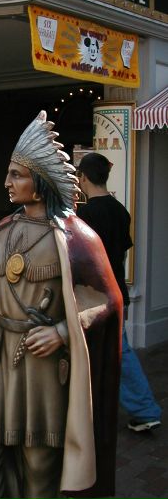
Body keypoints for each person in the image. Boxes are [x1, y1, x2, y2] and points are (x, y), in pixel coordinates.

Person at [0, 112, 122, 499]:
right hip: (0, 359)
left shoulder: (77, 237)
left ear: (41, 182)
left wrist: (62, 331)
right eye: (9, 174)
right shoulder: (1, 232)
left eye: (17, 175)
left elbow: (108, 299)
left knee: (39, 462)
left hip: (44, 366)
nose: (7, 183)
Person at [77, 152, 162, 433]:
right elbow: (122, 255)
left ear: (83, 177)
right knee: (108, 353)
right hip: (116, 292)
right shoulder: (120, 210)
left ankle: (143, 410)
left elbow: (81, 261)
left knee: (114, 353)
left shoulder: (85, 215)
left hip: (93, 297)